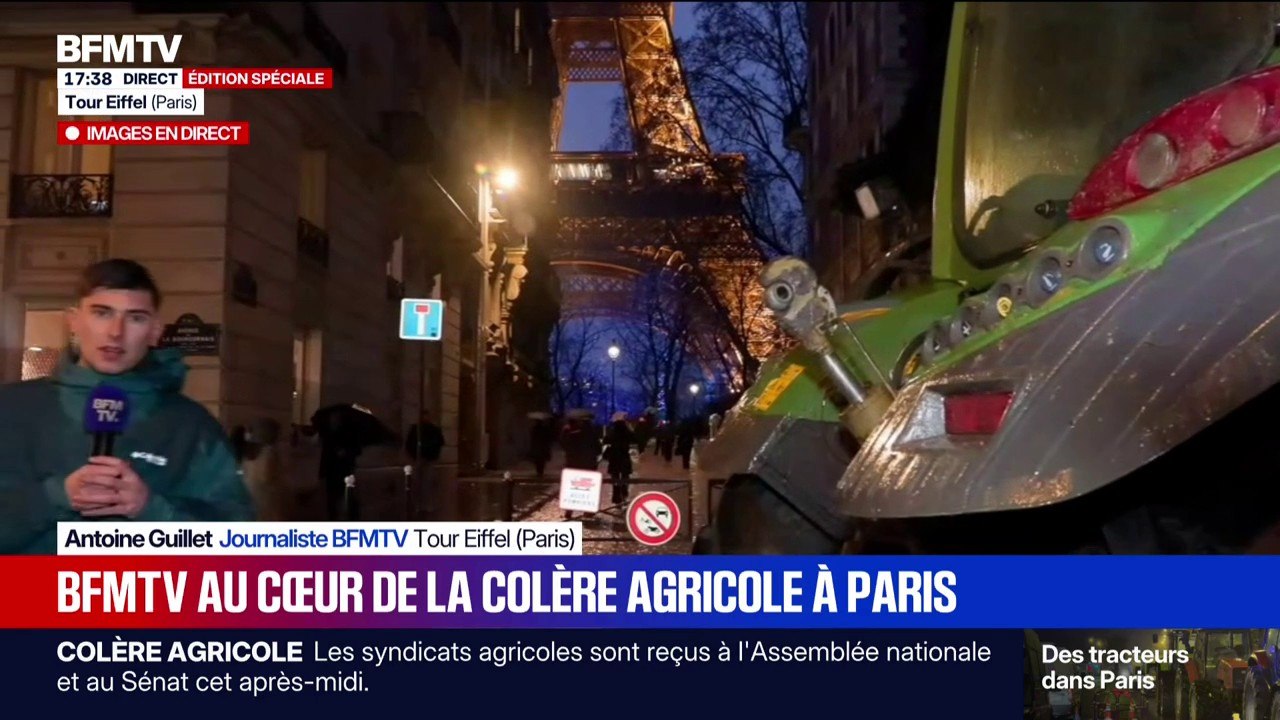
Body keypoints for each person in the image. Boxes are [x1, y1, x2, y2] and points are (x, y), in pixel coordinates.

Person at [0, 258, 256, 554]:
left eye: (135, 318)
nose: (115, 332)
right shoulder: (12, 408)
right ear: (73, 320)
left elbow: (235, 543)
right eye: (101, 313)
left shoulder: (191, 426)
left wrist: (151, 511)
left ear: (155, 331)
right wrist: (55, 496)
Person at [603, 411, 634, 505]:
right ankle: (624, 493)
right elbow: (634, 439)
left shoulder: (612, 430)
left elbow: (605, 441)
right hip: (624, 456)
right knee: (625, 476)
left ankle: (616, 496)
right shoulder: (627, 430)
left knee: (615, 477)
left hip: (614, 457)